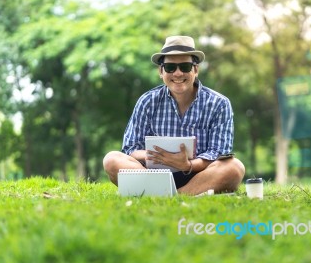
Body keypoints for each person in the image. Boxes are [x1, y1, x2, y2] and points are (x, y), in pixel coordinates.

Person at [103, 35, 245, 195]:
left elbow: (220, 152)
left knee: (234, 168)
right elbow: (130, 147)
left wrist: (187, 165)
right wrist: (162, 158)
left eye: (185, 67)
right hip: (153, 174)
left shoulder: (219, 103)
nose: (177, 73)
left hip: (200, 174)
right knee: (112, 160)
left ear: (196, 70)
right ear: (161, 71)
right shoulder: (147, 101)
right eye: (170, 68)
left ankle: (169, 195)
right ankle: (181, 194)